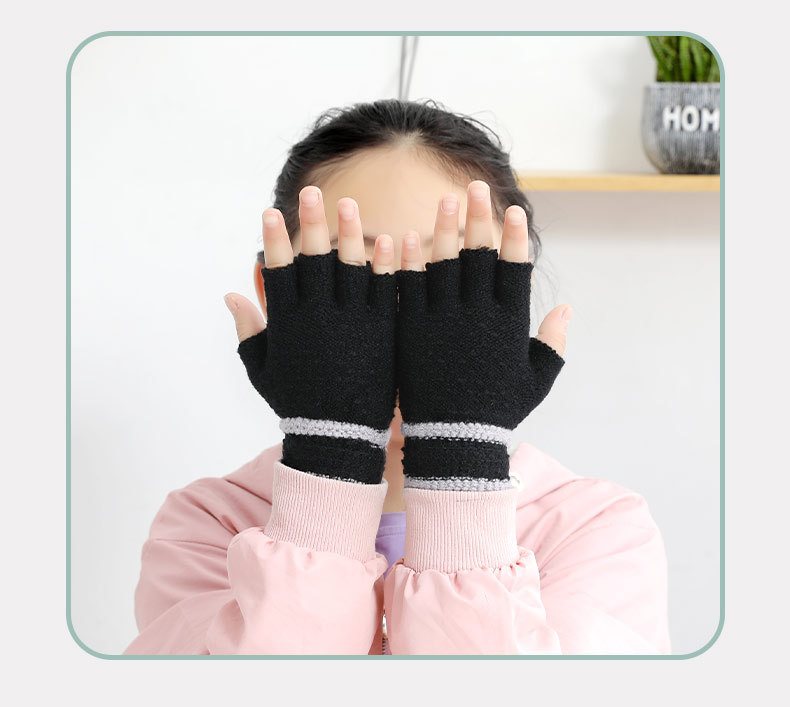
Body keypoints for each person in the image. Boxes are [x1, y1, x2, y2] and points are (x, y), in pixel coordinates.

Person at [124, 99, 671, 655]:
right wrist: (329, 456)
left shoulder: (595, 530)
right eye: (353, 273)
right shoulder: (206, 528)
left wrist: (460, 461)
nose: (412, 324)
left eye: (450, 276)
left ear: (508, 302)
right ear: (278, 296)